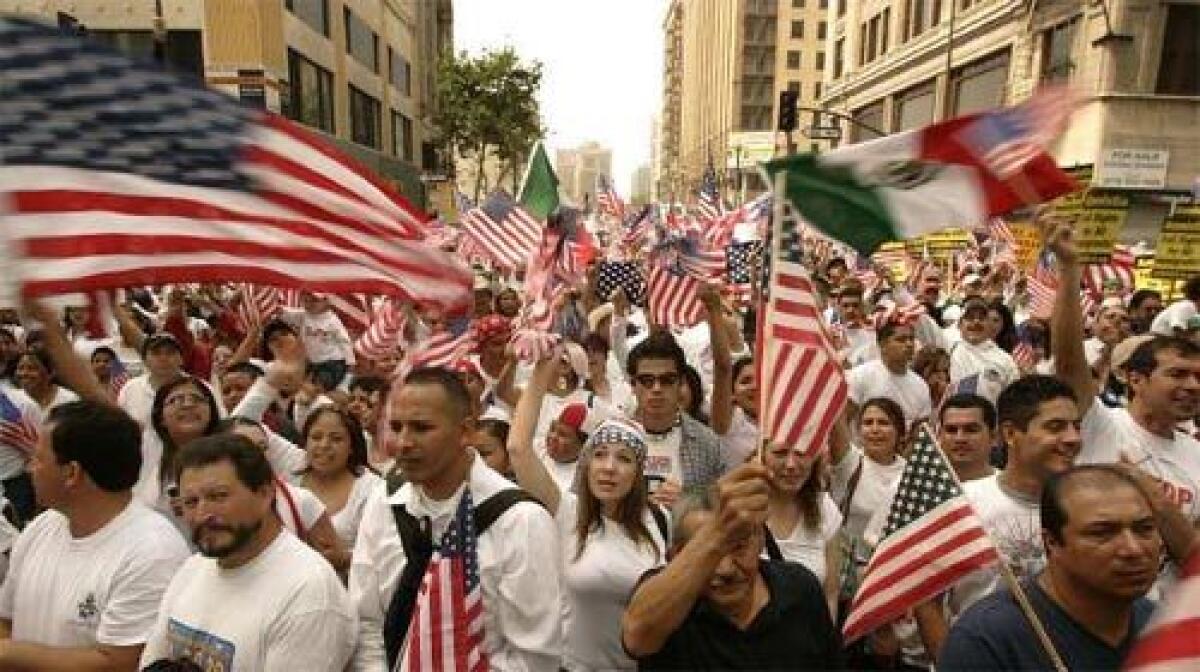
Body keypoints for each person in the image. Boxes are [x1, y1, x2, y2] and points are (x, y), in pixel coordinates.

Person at [349, 367, 562, 671]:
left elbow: (534, 657)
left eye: (421, 428)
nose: (403, 442)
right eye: (396, 427)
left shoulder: (521, 522)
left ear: (466, 431)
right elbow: (366, 621)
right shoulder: (383, 499)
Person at [140, 434, 356, 670]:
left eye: (218, 496)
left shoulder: (308, 592)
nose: (203, 514)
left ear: (265, 494)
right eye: (191, 502)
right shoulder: (193, 568)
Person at [0, 401, 188, 669]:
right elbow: (5, 620)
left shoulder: (152, 551)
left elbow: (120, 662)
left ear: (72, 473)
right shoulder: (41, 527)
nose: (30, 468)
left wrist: (7, 655)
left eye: (38, 459)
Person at [508, 353, 667, 671]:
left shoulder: (661, 518)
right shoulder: (567, 512)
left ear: (638, 473)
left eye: (624, 459)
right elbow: (518, 449)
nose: (609, 468)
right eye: (600, 455)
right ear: (586, 464)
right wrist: (541, 373)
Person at [916, 376, 1082, 659]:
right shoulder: (960, 504)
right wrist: (954, 664)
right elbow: (927, 601)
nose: (1072, 438)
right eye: (1055, 427)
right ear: (1009, 434)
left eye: (1076, 427)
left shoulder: (1086, 505)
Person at [1050, 220, 1200, 526]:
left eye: (1199, 377)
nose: (1193, 385)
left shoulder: (1195, 453)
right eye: (1178, 374)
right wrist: (1069, 270)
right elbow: (1068, 361)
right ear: (1136, 380)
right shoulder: (1100, 425)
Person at [939, 466, 1162, 671]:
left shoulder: (1162, 625)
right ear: (1051, 542)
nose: (1133, 549)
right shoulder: (987, 640)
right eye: (1102, 533)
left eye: (1144, 529)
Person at [621, 465, 842, 669]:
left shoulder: (800, 589)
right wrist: (718, 531)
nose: (725, 569)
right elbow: (637, 638)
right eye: (711, 553)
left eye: (738, 546)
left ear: (761, 542)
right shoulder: (663, 602)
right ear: (677, 555)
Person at [627, 331, 725, 509]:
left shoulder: (708, 443)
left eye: (667, 380)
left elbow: (722, 511)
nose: (657, 389)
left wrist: (689, 504)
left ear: (680, 383)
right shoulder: (609, 437)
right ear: (633, 384)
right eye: (647, 380)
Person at [761, 440, 841, 618]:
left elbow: (830, 594)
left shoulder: (825, 509)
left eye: (801, 454)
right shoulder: (744, 508)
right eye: (780, 453)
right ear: (761, 455)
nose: (790, 465)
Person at [296, 407, 384, 556]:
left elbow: (380, 554)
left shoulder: (372, 489)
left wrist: (344, 558)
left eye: (336, 439)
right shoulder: (290, 474)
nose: (324, 445)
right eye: (316, 437)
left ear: (352, 447)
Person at [846, 320, 932, 429]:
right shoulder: (860, 375)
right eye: (901, 340)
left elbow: (921, 430)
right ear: (882, 345)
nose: (909, 344)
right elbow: (844, 420)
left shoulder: (921, 385)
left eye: (911, 339)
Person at [949, 297, 1019, 404]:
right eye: (970, 318)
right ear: (959, 324)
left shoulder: (1005, 359)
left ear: (989, 325)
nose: (976, 322)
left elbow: (1013, 400)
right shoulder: (948, 350)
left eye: (982, 318)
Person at [938, 393, 998, 481]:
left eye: (971, 430)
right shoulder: (919, 489)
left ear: (993, 437)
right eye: (951, 430)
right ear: (939, 436)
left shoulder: (1011, 490)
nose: (960, 438)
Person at [13, 349, 79, 413]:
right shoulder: (13, 400)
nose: (24, 373)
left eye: (31, 368)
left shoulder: (69, 401)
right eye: (20, 368)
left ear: (51, 373)